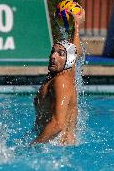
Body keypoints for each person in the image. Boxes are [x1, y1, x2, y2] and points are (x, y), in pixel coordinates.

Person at [31, 10, 85, 145]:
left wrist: (31, 146)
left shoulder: (61, 82)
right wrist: (76, 27)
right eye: (52, 51)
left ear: (68, 60)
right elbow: (75, 51)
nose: (53, 56)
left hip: (58, 149)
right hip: (51, 145)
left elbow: (57, 125)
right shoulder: (60, 74)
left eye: (60, 53)